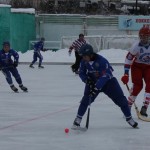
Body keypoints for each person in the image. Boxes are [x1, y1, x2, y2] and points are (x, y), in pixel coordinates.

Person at [72, 44, 138, 129]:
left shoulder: (102, 61)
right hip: (93, 82)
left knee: (121, 100)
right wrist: (87, 80)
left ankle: (129, 119)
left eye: (84, 56)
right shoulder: (84, 61)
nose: (83, 58)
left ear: (90, 54)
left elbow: (106, 75)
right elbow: (81, 73)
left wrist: (96, 88)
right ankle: (78, 119)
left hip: (109, 83)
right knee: (85, 100)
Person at [121, 26, 150, 117]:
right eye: (141, 36)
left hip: (148, 67)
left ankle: (144, 107)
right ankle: (128, 106)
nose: (143, 38)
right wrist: (126, 74)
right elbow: (128, 59)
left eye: (145, 36)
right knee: (137, 86)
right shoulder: (135, 46)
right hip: (137, 66)